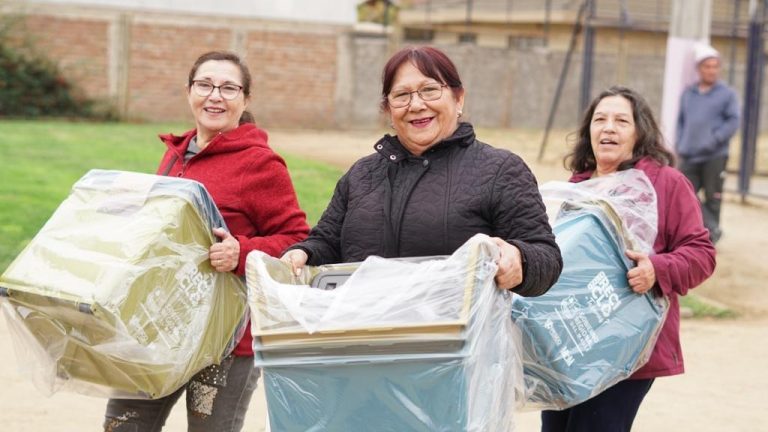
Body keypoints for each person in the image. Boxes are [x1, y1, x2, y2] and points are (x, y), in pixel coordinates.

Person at [103, 51, 309, 432]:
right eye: (205, 85)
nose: (215, 96)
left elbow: (297, 239)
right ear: (189, 91)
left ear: (245, 99)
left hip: (225, 339)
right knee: (123, 425)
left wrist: (240, 250)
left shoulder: (261, 163)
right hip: (161, 325)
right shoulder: (176, 155)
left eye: (229, 88)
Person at [281, 45, 562, 297]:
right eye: (402, 95)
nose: (416, 105)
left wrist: (519, 258)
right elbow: (327, 241)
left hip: (456, 347)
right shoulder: (362, 175)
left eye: (430, 90)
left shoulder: (500, 170)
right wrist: (303, 252)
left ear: (458, 98)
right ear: (388, 110)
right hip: (365, 341)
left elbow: (546, 257)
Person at [542, 86, 717, 432]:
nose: (608, 128)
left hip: (630, 347)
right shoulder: (576, 187)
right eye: (600, 120)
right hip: (572, 345)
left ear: (639, 133)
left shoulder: (666, 184)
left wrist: (657, 269)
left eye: (621, 121)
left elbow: (702, 254)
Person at [676, 43, 740, 244]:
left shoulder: (727, 94)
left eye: (715, 66)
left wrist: (713, 140)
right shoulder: (689, 93)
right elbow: (681, 121)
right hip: (689, 155)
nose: (712, 70)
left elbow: (733, 121)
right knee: (685, 194)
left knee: (713, 197)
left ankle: (710, 238)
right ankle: (709, 229)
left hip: (715, 155)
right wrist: (680, 143)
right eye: (707, 66)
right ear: (699, 69)